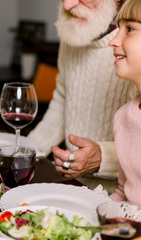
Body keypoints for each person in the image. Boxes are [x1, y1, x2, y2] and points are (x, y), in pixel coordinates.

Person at [27, 0, 137, 188]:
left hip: (119, 191)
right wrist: (28, 151)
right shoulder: (74, 29)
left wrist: (101, 157)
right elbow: (63, 99)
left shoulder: (133, 50)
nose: (68, 5)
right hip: (73, 182)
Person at [108, 0, 141, 207]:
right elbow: (124, 193)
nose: (113, 41)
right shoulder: (124, 118)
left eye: (129, 29)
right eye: (117, 28)